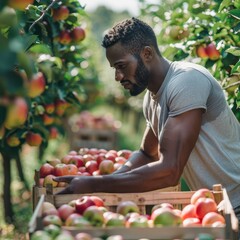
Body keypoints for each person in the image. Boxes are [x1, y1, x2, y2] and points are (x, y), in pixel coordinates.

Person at [54, 17, 240, 225]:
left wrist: (96, 184)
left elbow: (170, 170)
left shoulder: (188, 81)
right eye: (114, 69)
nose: (117, 76)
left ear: (147, 54)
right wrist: (117, 175)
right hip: (217, 207)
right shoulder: (151, 99)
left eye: (121, 66)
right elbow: (147, 153)